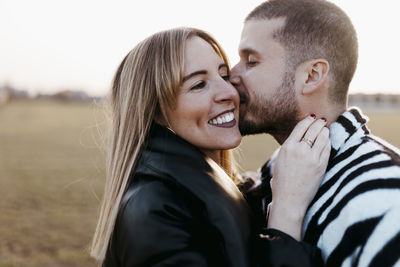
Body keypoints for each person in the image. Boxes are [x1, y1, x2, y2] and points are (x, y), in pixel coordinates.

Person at [90, 27, 331, 266]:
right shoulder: (155, 211)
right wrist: (286, 212)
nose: (229, 92)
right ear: (157, 113)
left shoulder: (202, 189)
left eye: (224, 76)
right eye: (198, 85)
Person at [230, 0, 400, 266]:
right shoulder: (282, 166)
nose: (232, 75)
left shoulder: (387, 197)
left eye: (251, 61)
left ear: (311, 75)